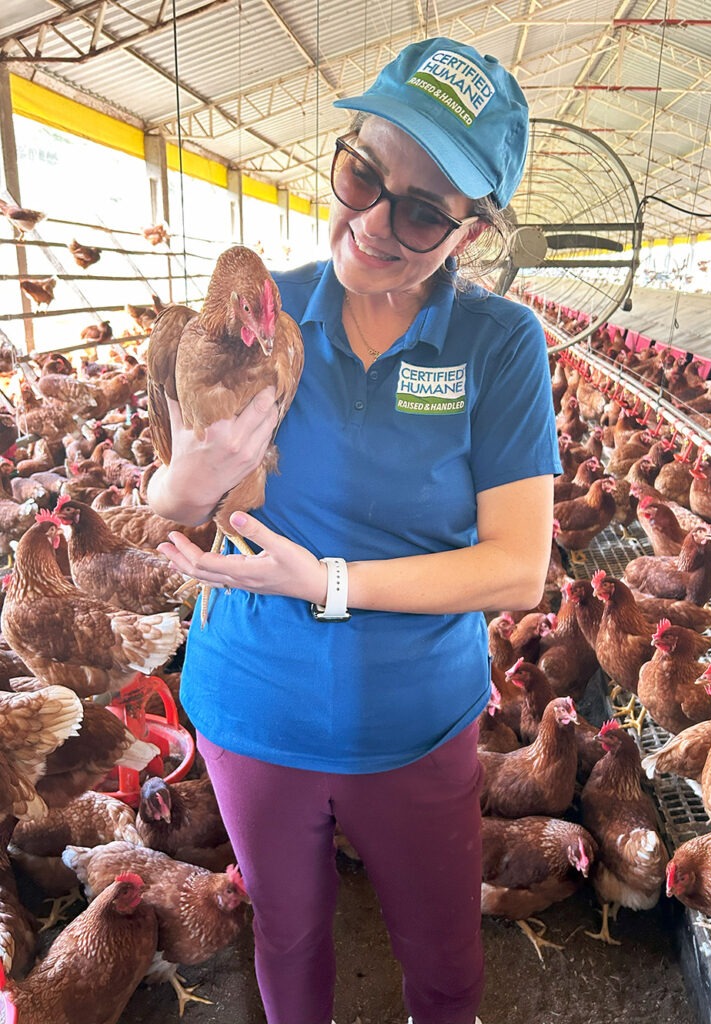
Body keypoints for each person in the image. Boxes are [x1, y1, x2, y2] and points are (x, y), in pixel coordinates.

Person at [148, 36, 561, 1024]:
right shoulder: (257, 312)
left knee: (445, 954)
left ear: (473, 229)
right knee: (285, 940)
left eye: (421, 210)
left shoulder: (497, 343)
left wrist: (328, 582)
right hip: (254, 708)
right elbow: (169, 503)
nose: (373, 221)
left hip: (416, 720)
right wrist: (181, 485)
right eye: (362, 173)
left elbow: (518, 567)